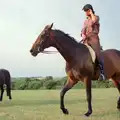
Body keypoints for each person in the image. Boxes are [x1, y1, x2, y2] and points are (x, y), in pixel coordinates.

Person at [81, 4, 106, 80]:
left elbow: (94, 21)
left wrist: (91, 13)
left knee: (97, 54)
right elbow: (83, 31)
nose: (85, 13)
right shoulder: (85, 21)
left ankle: (102, 73)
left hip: (94, 38)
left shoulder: (96, 17)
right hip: (86, 40)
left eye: (86, 11)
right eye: (85, 11)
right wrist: (83, 35)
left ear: (89, 10)